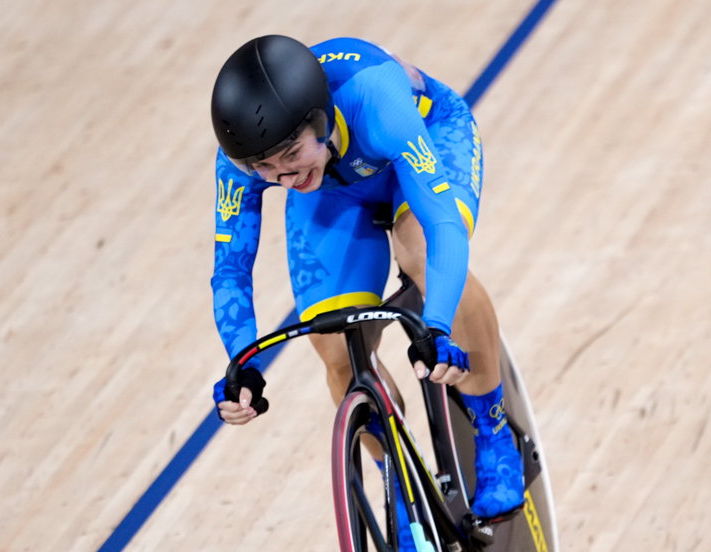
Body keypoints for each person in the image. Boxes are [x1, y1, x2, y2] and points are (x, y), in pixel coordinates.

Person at [207, 34, 524, 521]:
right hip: (336, 189)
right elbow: (231, 268)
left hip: (429, 137)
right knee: (335, 343)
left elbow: (443, 226)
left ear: (322, 118)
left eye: (291, 156)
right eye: (266, 169)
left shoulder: (378, 100)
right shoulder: (243, 161)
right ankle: (398, 480)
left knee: (419, 252)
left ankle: (494, 430)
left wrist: (435, 326)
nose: (284, 178)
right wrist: (243, 363)